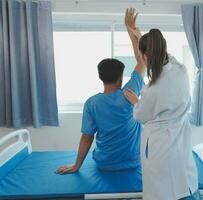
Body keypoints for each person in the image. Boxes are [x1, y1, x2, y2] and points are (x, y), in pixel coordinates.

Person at [56, 8, 145, 174]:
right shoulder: (130, 93)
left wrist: (76, 166)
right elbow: (141, 61)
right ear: (121, 78)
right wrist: (130, 28)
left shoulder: (91, 103)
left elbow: (87, 137)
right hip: (133, 162)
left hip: (105, 164)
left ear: (100, 77)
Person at [124, 15, 200, 200]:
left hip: (161, 148)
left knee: (164, 190)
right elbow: (153, 54)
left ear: (146, 56)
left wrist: (136, 101)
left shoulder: (152, 89)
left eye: (142, 56)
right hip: (180, 140)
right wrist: (137, 34)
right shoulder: (180, 69)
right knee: (184, 183)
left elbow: (141, 116)